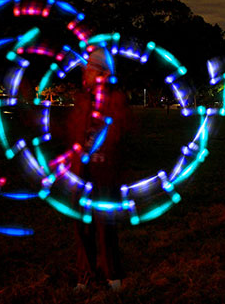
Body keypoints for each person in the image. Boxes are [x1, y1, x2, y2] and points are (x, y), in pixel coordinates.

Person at [69, 49, 131, 292]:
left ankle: (110, 272)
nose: (85, 70)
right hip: (80, 173)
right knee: (82, 226)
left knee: (105, 225)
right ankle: (84, 274)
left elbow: (119, 136)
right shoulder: (82, 99)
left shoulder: (116, 100)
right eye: (86, 67)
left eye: (91, 67)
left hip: (104, 172)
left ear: (104, 73)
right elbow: (72, 133)